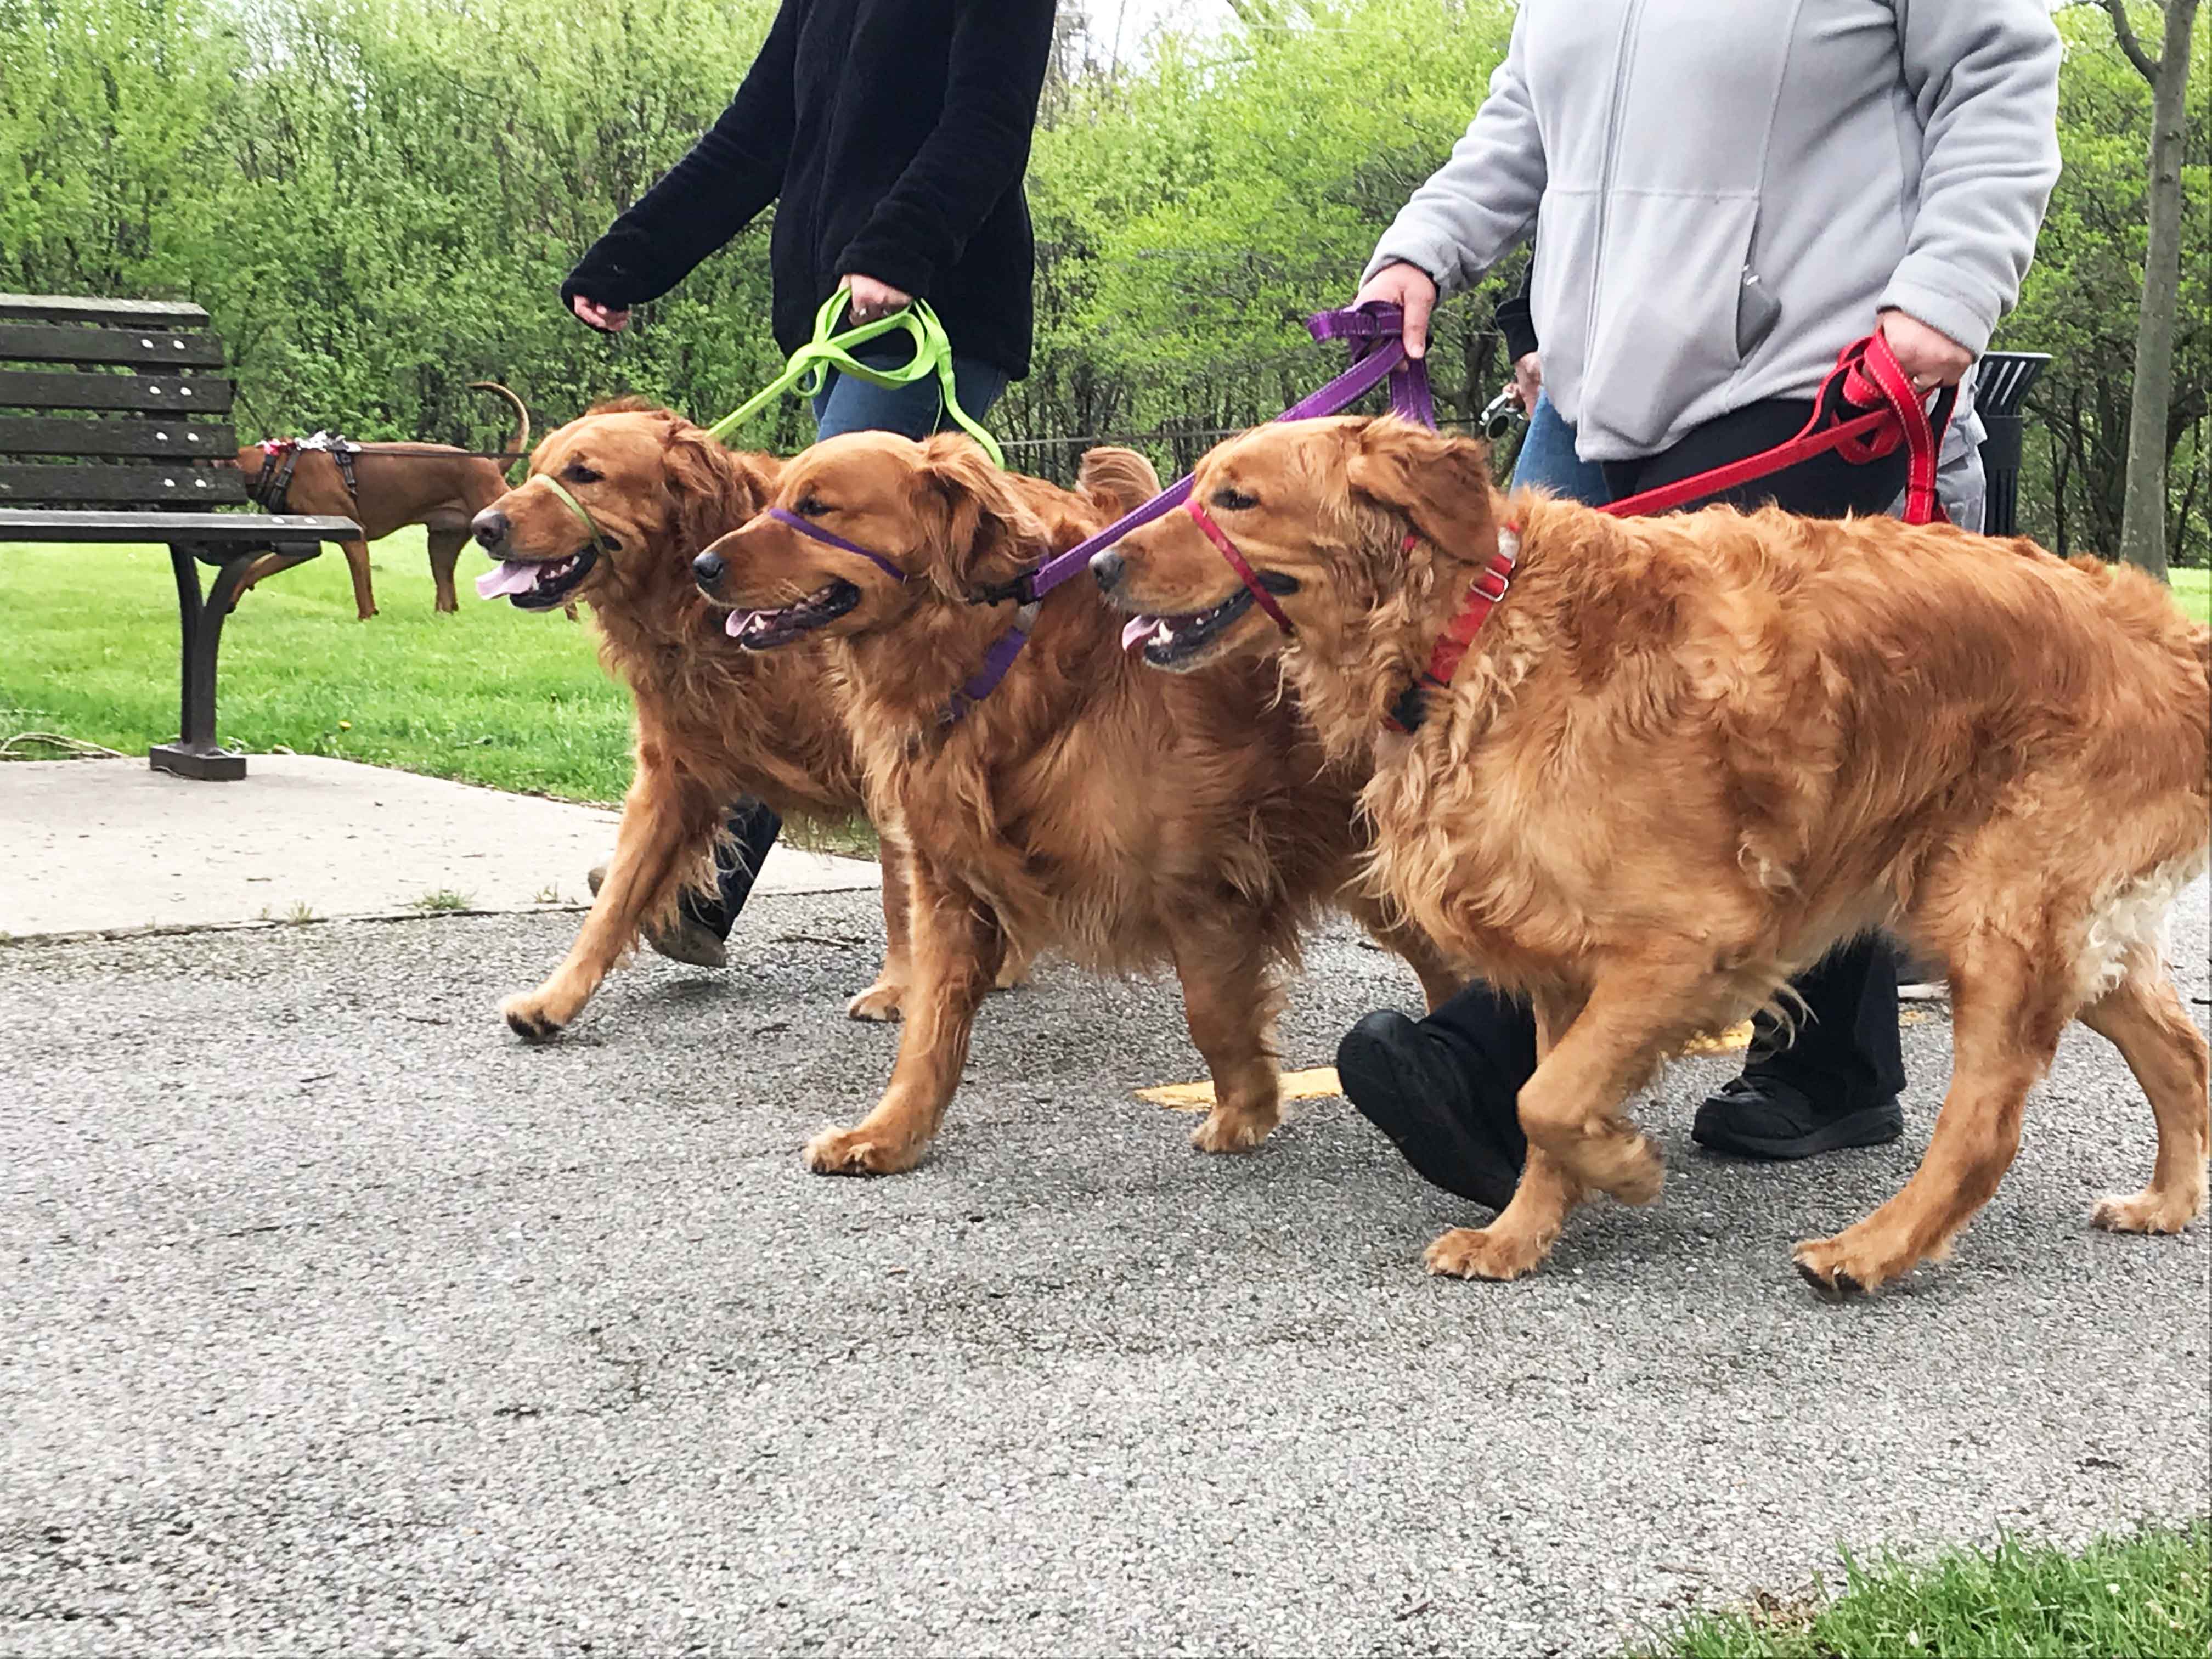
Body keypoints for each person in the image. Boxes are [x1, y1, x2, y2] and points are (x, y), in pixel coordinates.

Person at [1337, 0, 2062, 1205]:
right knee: (1522, 709)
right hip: (1588, 390)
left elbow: (2001, 62)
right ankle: (1832, 1065)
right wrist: (1423, 249)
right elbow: (1523, 119)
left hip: (1810, 372)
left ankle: (1510, 1071)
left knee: (1713, 751)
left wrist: (1949, 289)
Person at [561, 0, 1058, 966]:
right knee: (911, 610)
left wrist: (901, 246)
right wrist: (635, 256)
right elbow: (753, 138)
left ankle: (709, 880)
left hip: (932, 311)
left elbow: (990, 121)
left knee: (815, 588)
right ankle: (1007, 869)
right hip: (839, 319)